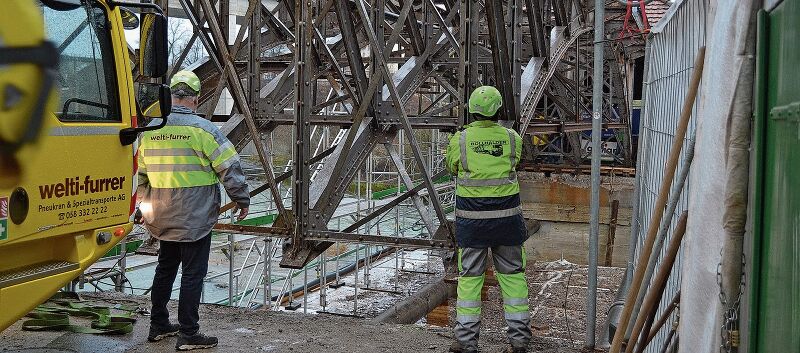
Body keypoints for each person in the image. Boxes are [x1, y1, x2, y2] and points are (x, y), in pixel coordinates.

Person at [137, 70, 250, 351]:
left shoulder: (151, 129)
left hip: (161, 214)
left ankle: (158, 324)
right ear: (196, 99)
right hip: (195, 216)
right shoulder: (203, 130)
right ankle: (188, 332)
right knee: (192, 274)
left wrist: (141, 207)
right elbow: (229, 168)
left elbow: (141, 175)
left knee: (165, 268)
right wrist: (242, 199)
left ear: (171, 96)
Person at [445, 86, 531, 353]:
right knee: (514, 278)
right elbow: (516, 162)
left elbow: (452, 167)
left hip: (472, 224)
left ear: (472, 110)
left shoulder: (460, 140)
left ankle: (466, 343)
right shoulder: (512, 138)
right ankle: (519, 341)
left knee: (470, 280)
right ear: (498, 109)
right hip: (507, 223)